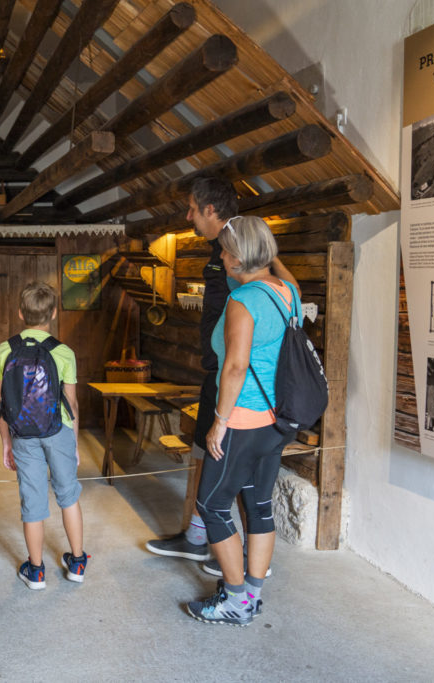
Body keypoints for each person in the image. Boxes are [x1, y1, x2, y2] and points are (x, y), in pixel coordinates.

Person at [145, 177, 296, 577]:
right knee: (243, 486)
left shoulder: (245, 291)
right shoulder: (270, 282)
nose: (189, 215)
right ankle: (206, 546)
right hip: (254, 396)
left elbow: (237, 362)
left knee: (218, 487)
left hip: (239, 392)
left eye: (193, 208)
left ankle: (227, 564)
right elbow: (289, 289)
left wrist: (221, 421)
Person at [186, 215, 301, 626]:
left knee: (212, 505)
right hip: (277, 422)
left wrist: (219, 422)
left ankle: (235, 600)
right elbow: (282, 277)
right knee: (259, 505)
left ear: (238, 258)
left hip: (242, 419)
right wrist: (269, 256)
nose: (220, 255)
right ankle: (251, 594)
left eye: (225, 250)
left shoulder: (243, 301)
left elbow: (234, 368)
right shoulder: (287, 291)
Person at [0, 281, 88, 588]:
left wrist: (7, 442)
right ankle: (77, 562)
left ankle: (36, 571)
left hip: (22, 433)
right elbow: (71, 403)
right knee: (68, 495)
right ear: (54, 313)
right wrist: (74, 444)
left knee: (32, 500)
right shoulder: (64, 353)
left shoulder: (5, 349)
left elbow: (0, 404)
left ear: (21, 313)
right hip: (58, 430)